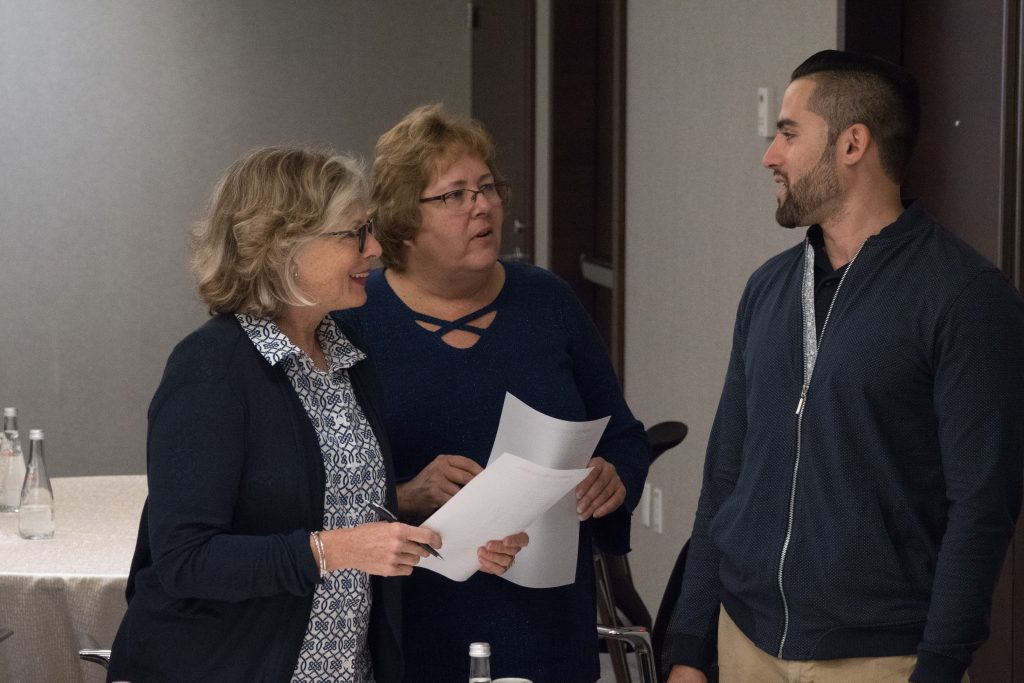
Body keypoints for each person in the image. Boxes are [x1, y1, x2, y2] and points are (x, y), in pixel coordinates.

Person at [664, 50, 1024, 683]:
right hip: (744, 642)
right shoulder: (768, 289)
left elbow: (983, 503)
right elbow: (725, 472)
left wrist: (939, 667)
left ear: (853, 143)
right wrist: (691, 642)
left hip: (881, 658)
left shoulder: (964, 296)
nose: (770, 155)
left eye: (788, 131)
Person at [107, 146, 522, 683]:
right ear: (284, 247)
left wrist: (458, 536)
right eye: (355, 233)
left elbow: (323, 509)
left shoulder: (346, 352)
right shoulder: (211, 367)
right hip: (224, 664)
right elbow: (185, 560)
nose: (374, 248)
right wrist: (336, 550)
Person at [333, 104, 651, 682]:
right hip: (412, 616)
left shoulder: (547, 301)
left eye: (488, 188)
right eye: (454, 195)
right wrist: (404, 493)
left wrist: (615, 475)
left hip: (544, 617)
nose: (482, 205)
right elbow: (319, 489)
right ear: (404, 222)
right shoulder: (356, 319)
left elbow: (624, 434)